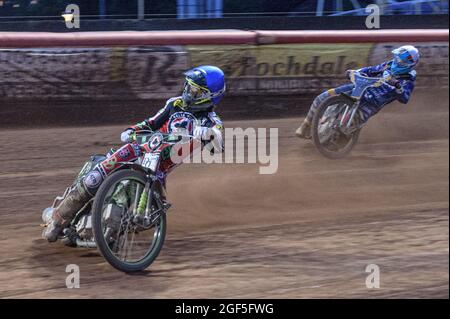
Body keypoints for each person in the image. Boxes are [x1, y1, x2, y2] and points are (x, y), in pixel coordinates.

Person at [44, 65, 226, 242]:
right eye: (188, 86)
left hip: (157, 169)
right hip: (137, 150)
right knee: (94, 178)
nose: (188, 92)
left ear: (209, 96)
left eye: (195, 90)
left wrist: (209, 134)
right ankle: (58, 219)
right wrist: (132, 130)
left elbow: (217, 147)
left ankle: (107, 232)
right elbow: (150, 123)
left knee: (125, 196)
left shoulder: (210, 121)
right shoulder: (174, 104)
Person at [296, 45, 420, 139]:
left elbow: (405, 98)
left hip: (372, 103)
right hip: (360, 88)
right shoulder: (388, 65)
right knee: (322, 97)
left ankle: (335, 145)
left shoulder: (408, 79)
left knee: (345, 129)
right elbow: (371, 70)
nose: (396, 62)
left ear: (407, 64)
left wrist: (398, 86)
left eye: (400, 61)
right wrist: (356, 72)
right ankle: (306, 125)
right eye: (396, 58)